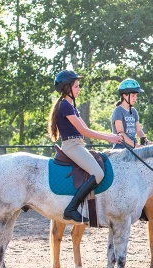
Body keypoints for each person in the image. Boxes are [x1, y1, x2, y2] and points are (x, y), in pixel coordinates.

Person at [48, 70, 122, 223]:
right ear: (68, 88)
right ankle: (71, 208)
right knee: (98, 173)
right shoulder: (65, 106)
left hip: (78, 144)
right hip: (72, 145)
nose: (79, 89)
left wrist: (110, 137)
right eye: (76, 86)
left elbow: (86, 129)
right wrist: (109, 137)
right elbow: (83, 131)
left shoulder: (71, 106)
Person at [111, 78, 151, 149]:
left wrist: (146, 141)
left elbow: (138, 130)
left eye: (136, 95)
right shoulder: (118, 111)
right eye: (133, 95)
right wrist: (136, 146)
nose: (135, 98)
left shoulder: (134, 111)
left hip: (133, 147)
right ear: (124, 95)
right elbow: (121, 133)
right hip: (121, 147)